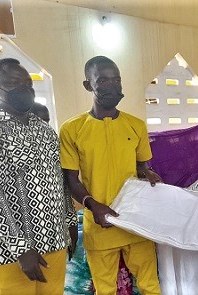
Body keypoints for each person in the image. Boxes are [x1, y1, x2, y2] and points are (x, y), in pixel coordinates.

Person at [0, 58, 78, 294]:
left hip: (54, 241)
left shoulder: (45, 131)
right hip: (11, 253)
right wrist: (21, 248)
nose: (24, 89)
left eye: (28, 83)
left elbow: (58, 182)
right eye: (13, 83)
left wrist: (70, 223)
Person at [60, 56, 162, 295]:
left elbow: (140, 166)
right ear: (88, 85)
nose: (112, 85)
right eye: (103, 80)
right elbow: (71, 180)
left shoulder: (135, 125)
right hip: (99, 225)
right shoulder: (72, 129)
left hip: (135, 222)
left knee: (150, 286)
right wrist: (93, 206)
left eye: (116, 79)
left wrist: (147, 173)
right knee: (105, 290)